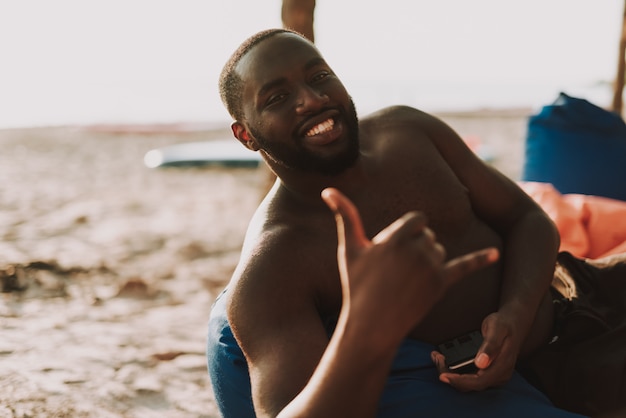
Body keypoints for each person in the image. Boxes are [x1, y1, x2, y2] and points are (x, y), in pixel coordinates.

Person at [207, 28, 626, 417]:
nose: (312, 99)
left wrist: (515, 314)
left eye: (318, 76)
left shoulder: (409, 132)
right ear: (246, 136)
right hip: (546, 372)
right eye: (277, 98)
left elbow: (528, 218)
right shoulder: (275, 261)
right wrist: (363, 322)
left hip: (573, 287)